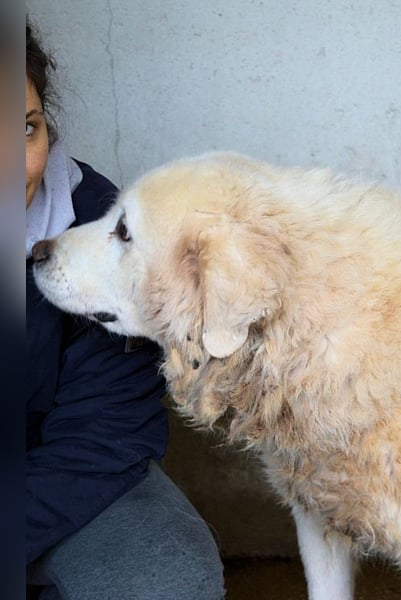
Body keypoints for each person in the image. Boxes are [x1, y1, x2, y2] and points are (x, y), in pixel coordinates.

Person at [25, 19, 225, 599]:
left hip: (52, 478)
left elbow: (101, 435)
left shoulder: (98, 230)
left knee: (164, 579)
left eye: (26, 127)